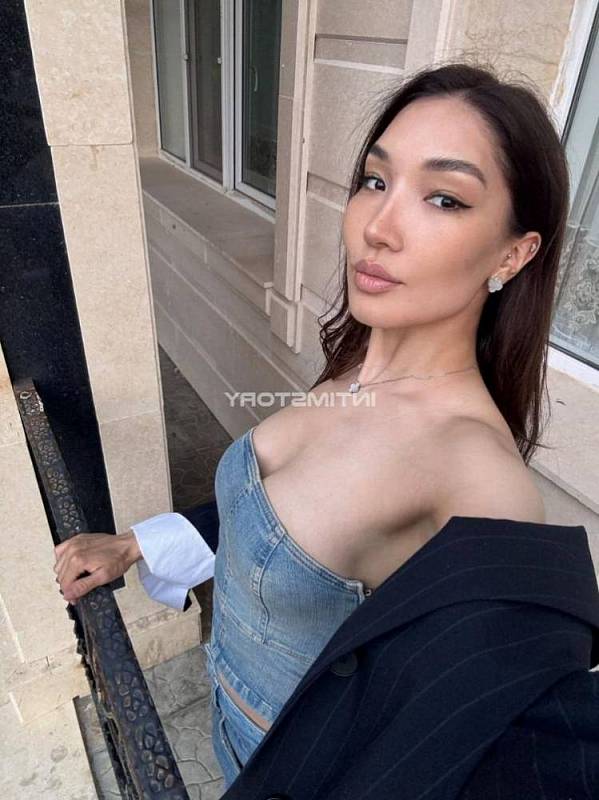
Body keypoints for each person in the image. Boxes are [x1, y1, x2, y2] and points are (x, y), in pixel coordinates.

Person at [54, 61, 599, 798]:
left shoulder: (475, 474)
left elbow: (500, 738)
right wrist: (137, 544)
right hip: (224, 722)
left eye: (443, 198)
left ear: (513, 253)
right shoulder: (351, 373)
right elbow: (279, 518)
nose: (377, 227)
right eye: (375, 180)